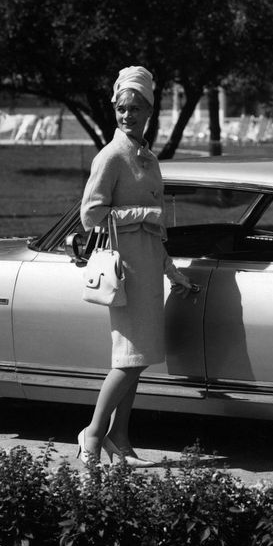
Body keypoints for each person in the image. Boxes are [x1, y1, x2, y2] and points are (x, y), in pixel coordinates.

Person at [78, 65, 197, 466]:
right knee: (129, 360)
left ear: (150, 112)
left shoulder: (147, 158)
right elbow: (91, 216)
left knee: (137, 360)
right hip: (124, 273)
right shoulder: (111, 156)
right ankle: (92, 434)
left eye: (135, 109)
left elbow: (156, 229)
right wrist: (141, 213)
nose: (127, 116)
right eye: (122, 109)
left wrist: (172, 272)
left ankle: (120, 439)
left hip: (148, 272)